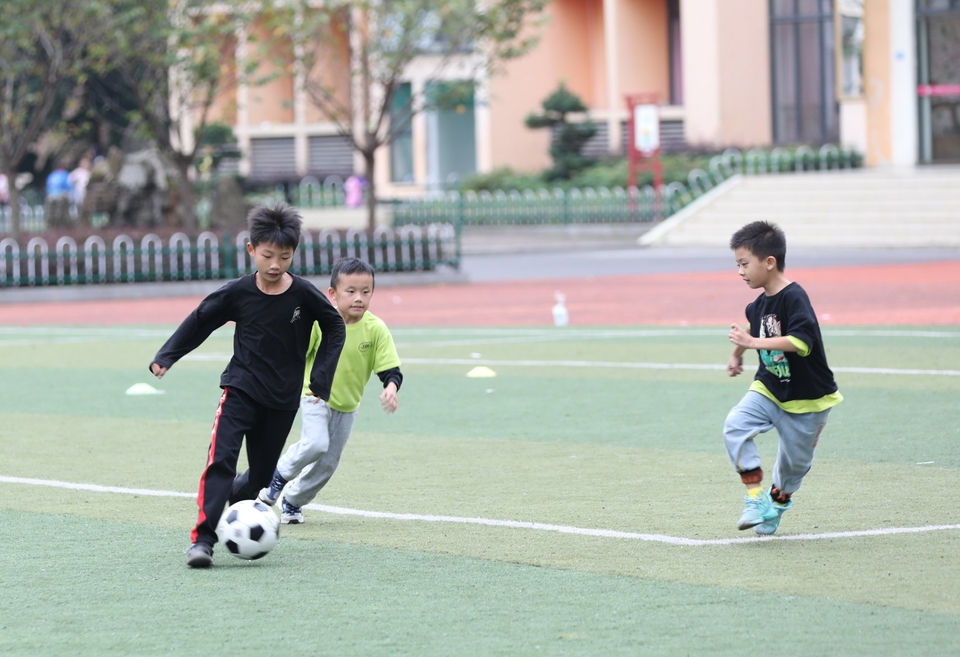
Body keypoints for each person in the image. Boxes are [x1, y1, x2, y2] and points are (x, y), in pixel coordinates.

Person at [149, 204, 346, 568]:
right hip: (239, 390)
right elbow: (201, 320)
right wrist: (168, 355)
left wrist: (320, 377)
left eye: (284, 257)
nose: (275, 265)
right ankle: (203, 541)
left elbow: (335, 327)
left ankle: (230, 511)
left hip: (282, 400)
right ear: (251, 250)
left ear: (294, 254)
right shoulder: (239, 292)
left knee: (258, 478)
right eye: (268, 255)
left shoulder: (303, 294)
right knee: (220, 461)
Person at [246, 257, 402, 525]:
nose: (359, 298)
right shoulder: (321, 323)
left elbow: (390, 369)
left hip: (348, 406)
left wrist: (391, 387)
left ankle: (293, 501)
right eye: (350, 291)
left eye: (366, 292)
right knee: (316, 443)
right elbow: (296, 353)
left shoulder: (376, 328)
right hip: (315, 395)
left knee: (327, 464)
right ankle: (278, 477)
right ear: (333, 294)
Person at [724, 220, 842, 535]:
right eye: (738, 264)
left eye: (744, 263)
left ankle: (776, 505)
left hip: (809, 399)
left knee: (794, 468)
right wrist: (737, 356)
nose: (740, 271)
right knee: (735, 426)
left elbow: (801, 343)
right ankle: (755, 499)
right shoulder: (757, 304)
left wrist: (752, 344)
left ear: (770, 262)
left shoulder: (794, 297)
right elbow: (753, 326)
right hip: (769, 389)